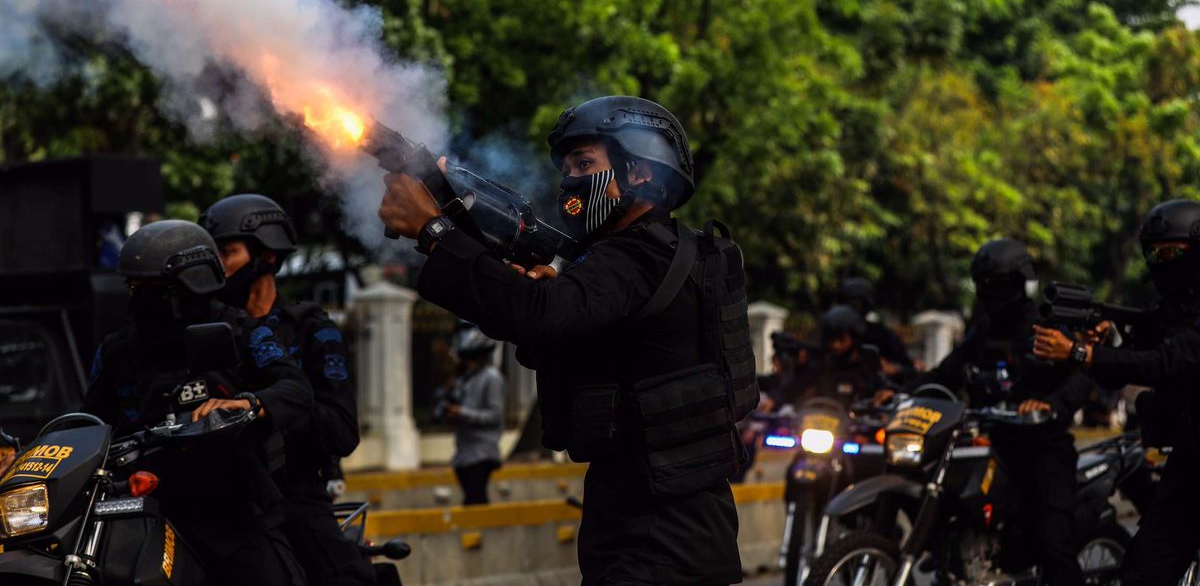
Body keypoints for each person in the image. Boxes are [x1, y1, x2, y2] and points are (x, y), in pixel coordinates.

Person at [377, 95, 749, 586]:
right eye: (567, 166)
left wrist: (433, 229)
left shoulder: (637, 258)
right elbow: (547, 323)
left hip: (660, 542)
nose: (570, 179)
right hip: (663, 527)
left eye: (585, 163)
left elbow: (534, 313)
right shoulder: (658, 256)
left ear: (640, 172)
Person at [83, 220, 311, 585]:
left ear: (187, 287)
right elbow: (88, 424)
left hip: (235, 513)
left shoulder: (240, 332)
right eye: (134, 288)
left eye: (151, 289)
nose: (140, 298)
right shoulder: (117, 350)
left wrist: (247, 405)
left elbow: (296, 389)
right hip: (150, 512)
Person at [879, 239, 1093, 586]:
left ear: (1019, 281)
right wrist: (902, 393)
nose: (990, 291)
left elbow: (1082, 375)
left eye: (998, 283)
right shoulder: (984, 330)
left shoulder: (1048, 326)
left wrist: (1052, 405)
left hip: (1042, 447)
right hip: (992, 445)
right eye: (985, 283)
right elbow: (945, 372)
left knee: (1052, 542)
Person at [200, 194, 373, 586]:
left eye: (228, 253)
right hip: (220, 497)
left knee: (345, 576)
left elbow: (342, 430)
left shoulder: (308, 327)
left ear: (268, 258)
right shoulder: (207, 332)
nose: (219, 267)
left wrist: (267, 409)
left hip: (292, 491)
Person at [1034, 200, 1200, 586]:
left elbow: (1164, 363)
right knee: (1142, 573)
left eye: (1172, 252)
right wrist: (1101, 344)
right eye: (1153, 253)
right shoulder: (1169, 312)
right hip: (1189, 466)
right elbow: (1119, 370)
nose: (1162, 261)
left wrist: (1081, 352)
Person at [438, 323, 506, 505]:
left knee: (476, 501)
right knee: (471, 501)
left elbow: (495, 416)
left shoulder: (492, 378)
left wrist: (462, 412)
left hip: (482, 453)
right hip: (463, 454)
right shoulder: (464, 379)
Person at [800, 305, 886, 407]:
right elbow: (797, 388)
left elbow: (884, 389)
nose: (836, 345)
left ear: (854, 337)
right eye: (831, 340)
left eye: (841, 339)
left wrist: (883, 396)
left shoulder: (867, 363)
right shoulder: (823, 363)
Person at [837, 277, 916, 380]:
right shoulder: (831, 334)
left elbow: (909, 370)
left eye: (853, 304)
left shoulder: (882, 335)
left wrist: (892, 368)